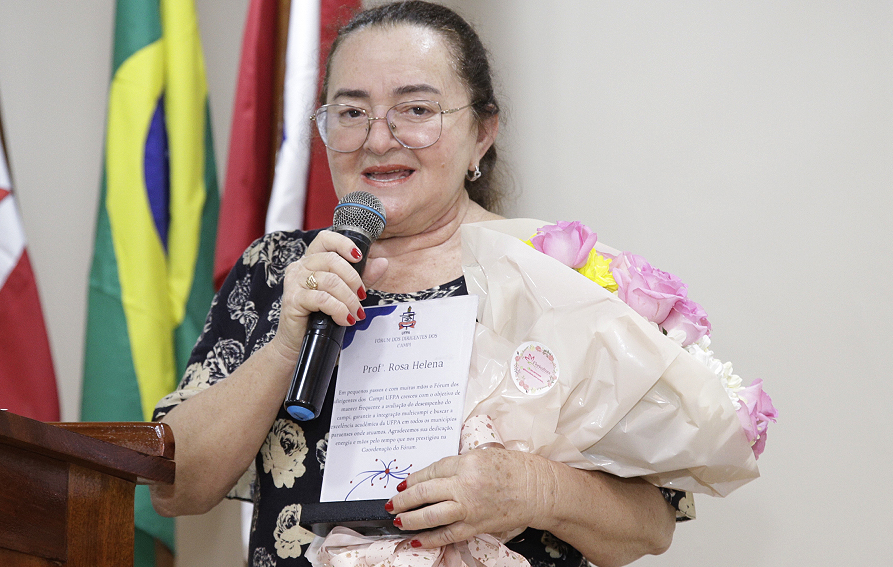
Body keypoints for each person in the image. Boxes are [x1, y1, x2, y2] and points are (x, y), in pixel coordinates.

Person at [150, 3, 689, 567]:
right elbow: (173, 488)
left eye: (415, 109)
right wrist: (287, 344)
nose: (378, 140)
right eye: (351, 112)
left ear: (482, 132)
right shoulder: (278, 268)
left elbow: (650, 526)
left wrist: (535, 488)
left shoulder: (562, 274)